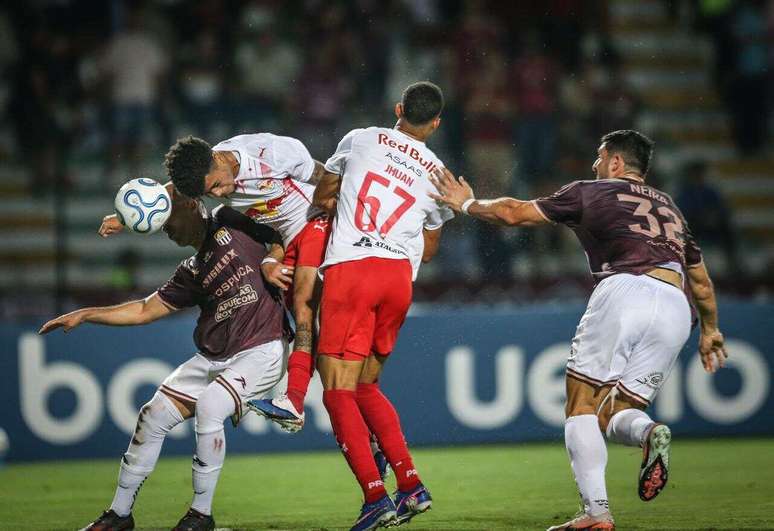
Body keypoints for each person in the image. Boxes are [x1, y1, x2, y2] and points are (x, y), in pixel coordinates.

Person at [430, 130, 728, 531]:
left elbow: (514, 213)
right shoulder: (671, 208)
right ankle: (649, 432)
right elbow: (702, 282)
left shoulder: (593, 192)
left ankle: (597, 513)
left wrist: (465, 203)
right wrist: (710, 330)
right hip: (677, 305)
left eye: (600, 157)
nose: (595, 165)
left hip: (625, 288)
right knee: (618, 411)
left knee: (580, 403)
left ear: (617, 163)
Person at [41, 190, 290, 531]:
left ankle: (201, 516)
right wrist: (86, 314)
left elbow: (280, 232)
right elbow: (144, 309)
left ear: (190, 205)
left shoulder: (230, 218)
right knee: (153, 414)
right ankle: (119, 515)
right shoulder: (191, 270)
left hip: (263, 347)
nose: (164, 229)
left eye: (166, 220)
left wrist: (272, 258)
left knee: (211, 406)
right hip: (217, 355)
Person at [98, 132, 325, 430]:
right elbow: (170, 193)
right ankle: (301, 404)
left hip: (316, 226)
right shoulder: (206, 174)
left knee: (314, 324)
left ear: (218, 158)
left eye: (217, 185)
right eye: (210, 193)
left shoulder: (272, 154)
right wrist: (125, 219)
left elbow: (325, 176)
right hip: (286, 243)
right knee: (315, 335)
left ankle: (297, 402)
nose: (218, 195)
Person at [310, 81, 453, 530]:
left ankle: (376, 497)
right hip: (397, 279)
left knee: (336, 390)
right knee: (366, 386)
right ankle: (410, 484)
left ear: (398, 109)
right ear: (435, 123)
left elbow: (324, 194)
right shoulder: (438, 171)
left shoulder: (360, 138)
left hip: (353, 268)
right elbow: (429, 251)